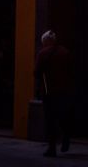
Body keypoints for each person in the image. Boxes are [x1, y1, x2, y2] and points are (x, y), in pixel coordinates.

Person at [35, 29, 72, 157]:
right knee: (63, 116)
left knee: (50, 119)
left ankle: (52, 148)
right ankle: (66, 136)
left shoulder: (42, 53)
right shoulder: (65, 52)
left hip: (49, 91)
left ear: (46, 41)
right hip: (64, 90)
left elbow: (37, 73)